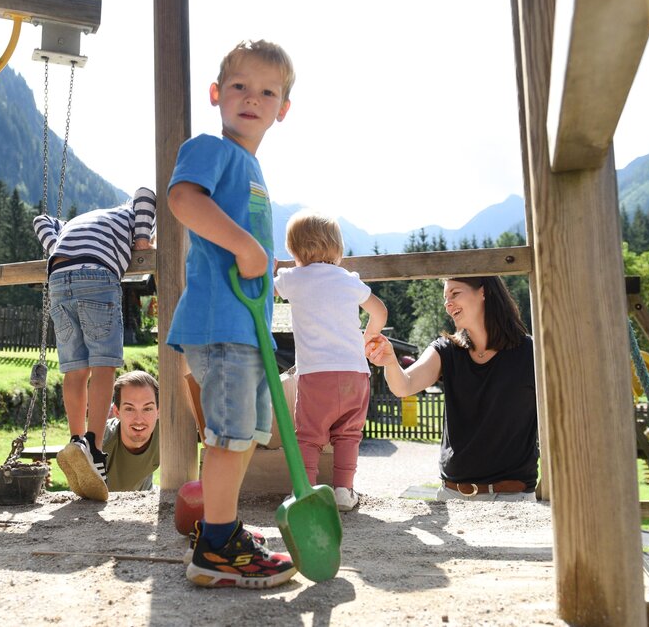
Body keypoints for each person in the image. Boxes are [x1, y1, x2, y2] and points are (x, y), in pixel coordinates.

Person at [166, 39, 297, 589]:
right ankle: (216, 547)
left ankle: (225, 527)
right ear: (217, 94)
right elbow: (183, 199)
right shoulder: (212, 149)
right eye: (240, 86)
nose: (252, 98)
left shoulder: (251, 168)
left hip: (245, 328)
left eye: (267, 91)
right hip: (222, 324)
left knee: (242, 435)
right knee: (227, 437)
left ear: (282, 109)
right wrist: (247, 247)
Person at [366, 276, 539, 502]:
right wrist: (390, 361)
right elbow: (404, 385)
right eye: (445, 298)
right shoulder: (446, 350)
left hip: (514, 498)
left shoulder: (530, 351)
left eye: (455, 294)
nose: (447, 303)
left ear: (483, 292)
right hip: (453, 495)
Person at [33, 187, 156, 501]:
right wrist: (142, 242)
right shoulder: (129, 213)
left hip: (59, 276)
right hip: (97, 274)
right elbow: (146, 194)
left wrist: (57, 248)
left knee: (76, 369)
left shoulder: (77, 223)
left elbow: (41, 221)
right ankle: (96, 451)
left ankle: (77, 441)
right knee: (104, 365)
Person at [274, 209, 388, 511]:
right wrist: (367, 338)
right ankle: (343, 491)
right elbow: (380, 312)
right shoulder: (349, 280)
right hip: (355, 373)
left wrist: (267, 270)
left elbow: (265, 290)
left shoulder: (292, 279)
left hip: (316, 374)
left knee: (309, 436)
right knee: (348, 434)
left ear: (294, 249)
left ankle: (306, 491)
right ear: (337, 248)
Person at [101, 370, 161, 492]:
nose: (139, 419)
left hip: (147, 496)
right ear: (117, 412)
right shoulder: (101, 442)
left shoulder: (169, 432)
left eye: (147, 408)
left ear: (158, 411)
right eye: (129, 409)